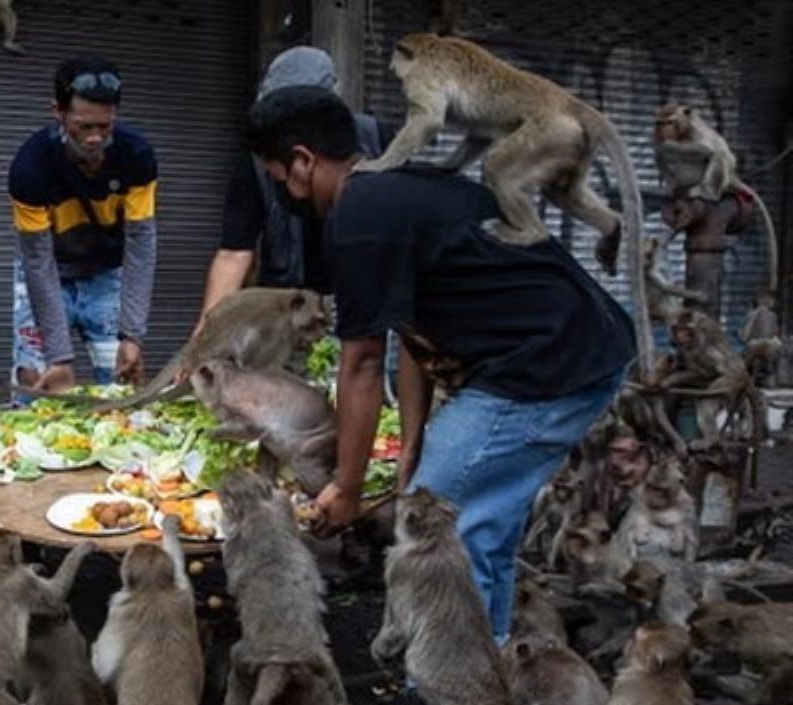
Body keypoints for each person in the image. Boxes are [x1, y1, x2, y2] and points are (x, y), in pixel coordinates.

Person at [242, 86, 636, 646]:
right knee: (480, 529)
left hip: (543, 368)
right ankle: (486, 686)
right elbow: (413, 337)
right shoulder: (398, 191)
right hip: (582, 348)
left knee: (434, 529)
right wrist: (410, 444)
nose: (283, 190)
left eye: (278, 176)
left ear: (303, 161)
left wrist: (348, 490)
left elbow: (361, 363)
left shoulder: (356, 217)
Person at [197, 46, 385, 325]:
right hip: (288, 304)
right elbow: (234, 253)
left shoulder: (374, 140)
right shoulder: (259, 158)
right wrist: (203, 337)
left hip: (361, 297)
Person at [8, 55, 157, 393]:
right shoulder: (29, 168)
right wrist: (59, 357)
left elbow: (141, 247)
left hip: (107, 274)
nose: (94, 137)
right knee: (38, 391)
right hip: (48, 274)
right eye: (83, 126)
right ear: (57, 113)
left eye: (104, 126)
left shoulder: (138, 157)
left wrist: (133, 334)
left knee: (119, 390)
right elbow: (37, 261)